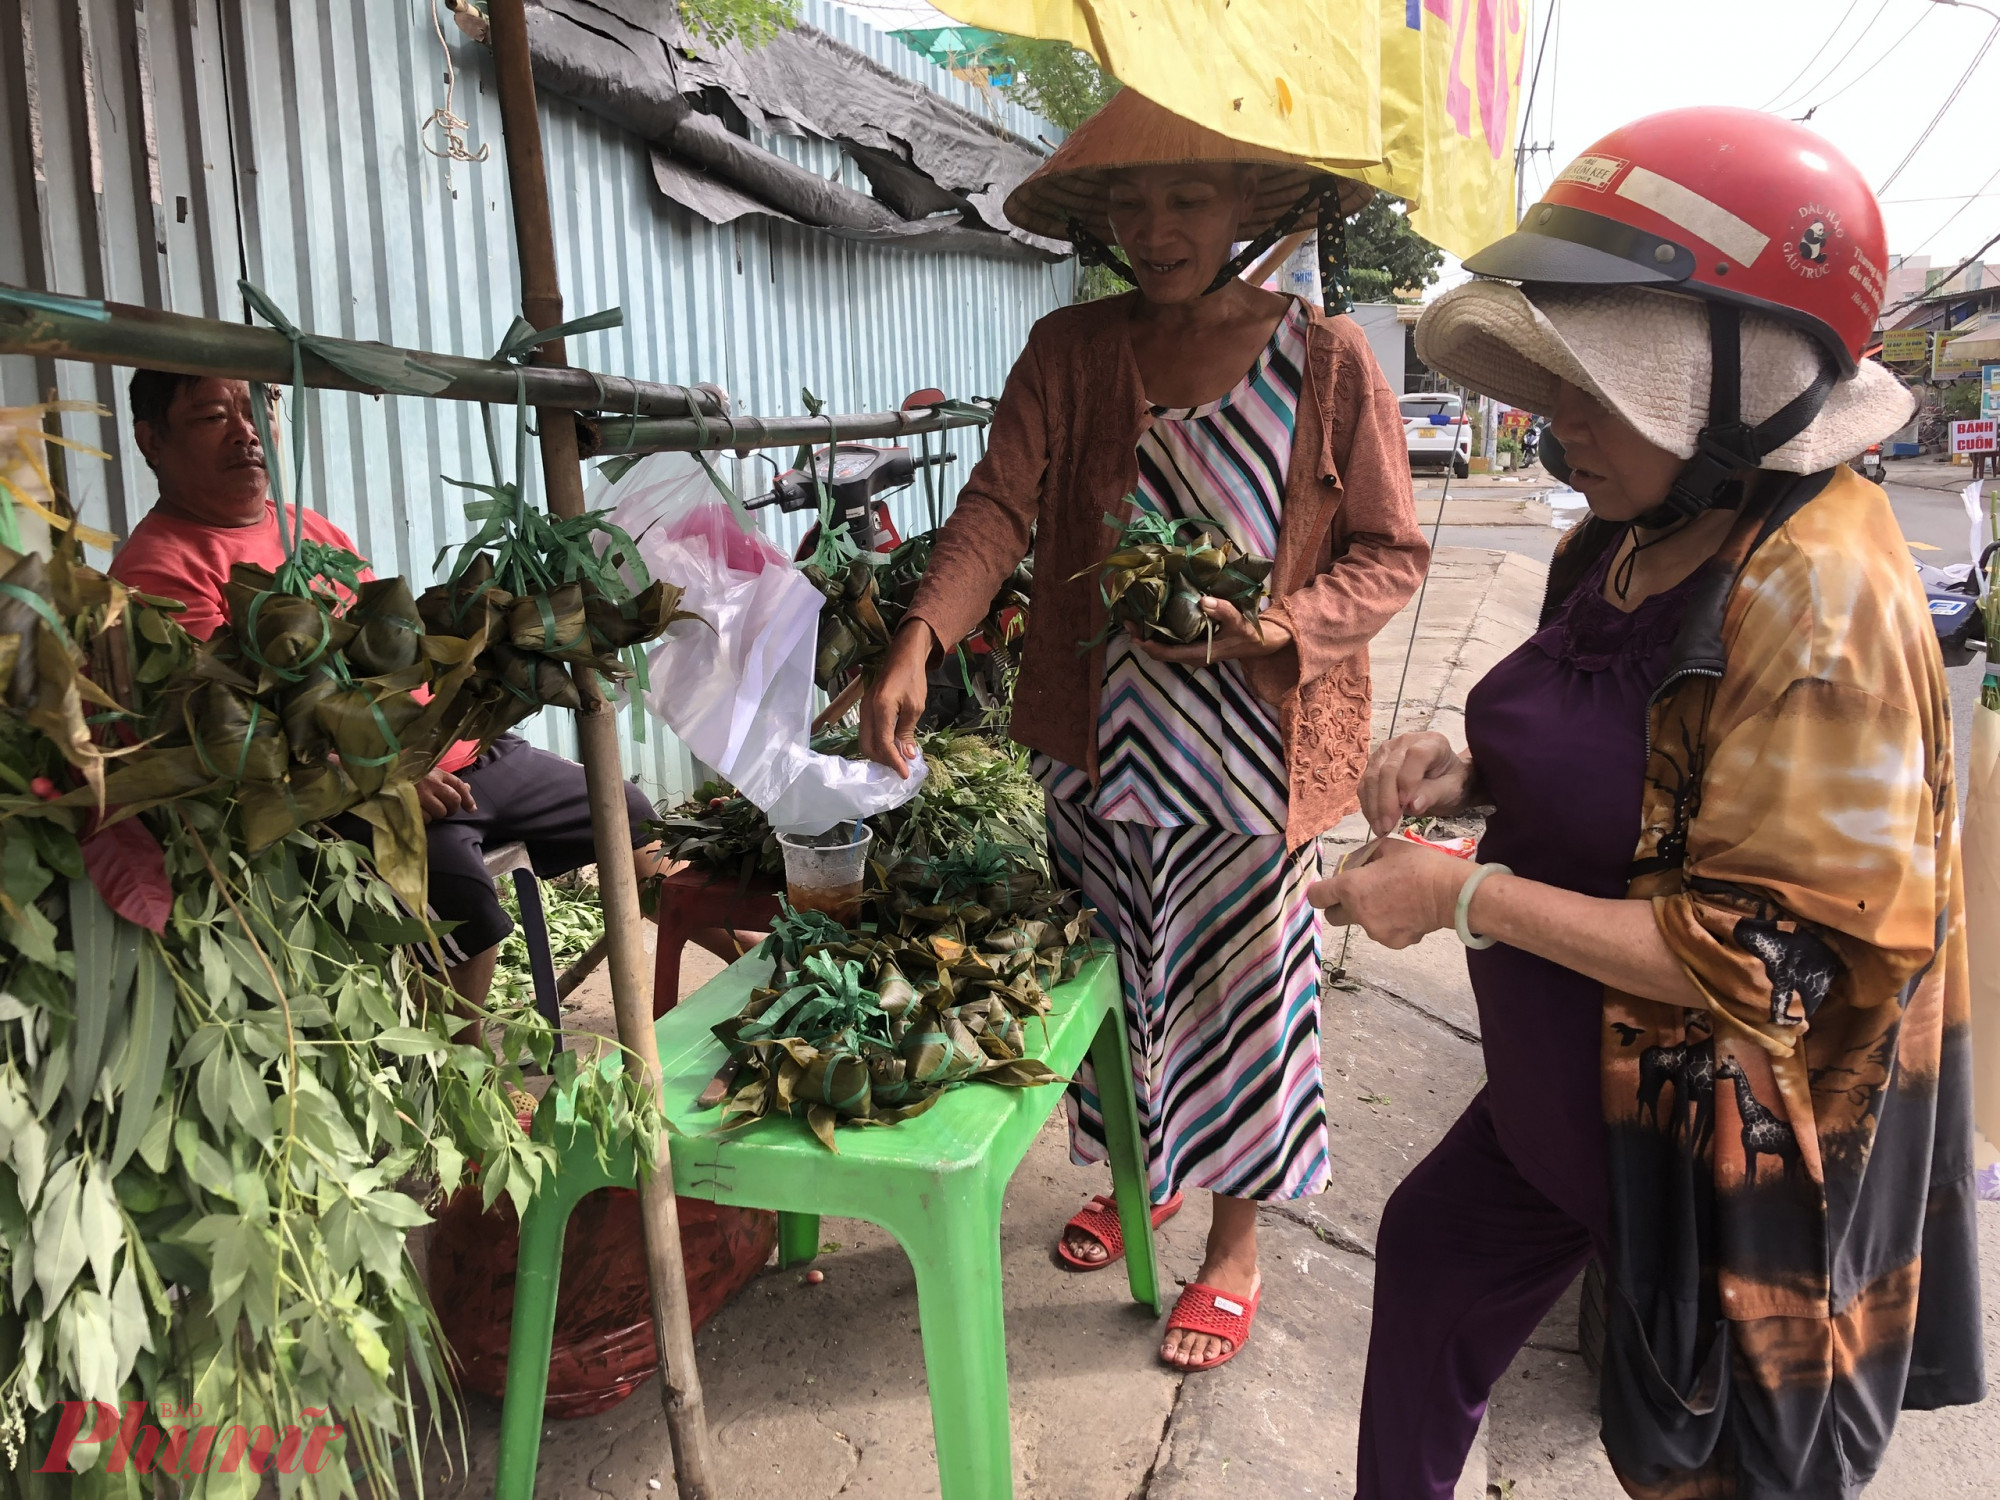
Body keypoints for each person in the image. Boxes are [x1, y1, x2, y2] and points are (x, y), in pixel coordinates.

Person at [1310, 109, 1985, 1497]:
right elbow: (1632, 745)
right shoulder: (1628, 529)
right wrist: (1469, 771)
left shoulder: (1825, 590)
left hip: (1723, 1153)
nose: (1557, 426)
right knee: (1438, 1265)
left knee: (1704, 1463)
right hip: (1565, 1096)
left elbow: (1775, 957)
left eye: (1599, 385)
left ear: (1745, 384)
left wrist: (1461, 894)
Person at [858, 91, 1427, 1371]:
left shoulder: (1328, 359)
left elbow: (1390, 554)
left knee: (1244, 996)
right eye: (1127, 200)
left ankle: (1232, 1245)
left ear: (1242, 207)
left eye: (1182, 197)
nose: (1152, 226)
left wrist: (1272, 628)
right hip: (1097, 749)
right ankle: (1139, 1185)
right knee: (1112, 994)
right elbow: (998, 509)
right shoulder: (1066, 350)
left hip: (1251, 759)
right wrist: (920, 637)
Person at [111, 370, 745, 1009]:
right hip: (356, 798)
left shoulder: (309, 528)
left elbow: (392, 655)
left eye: (259, 409)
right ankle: (469, 1085)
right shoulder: (158, 572)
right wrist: (384, 777)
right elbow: (239, 745)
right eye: (211, 417)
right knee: (462, 904)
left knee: (628, 814)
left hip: (456, 749)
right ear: (152, 441)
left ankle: (748, 966)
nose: (248, 434)